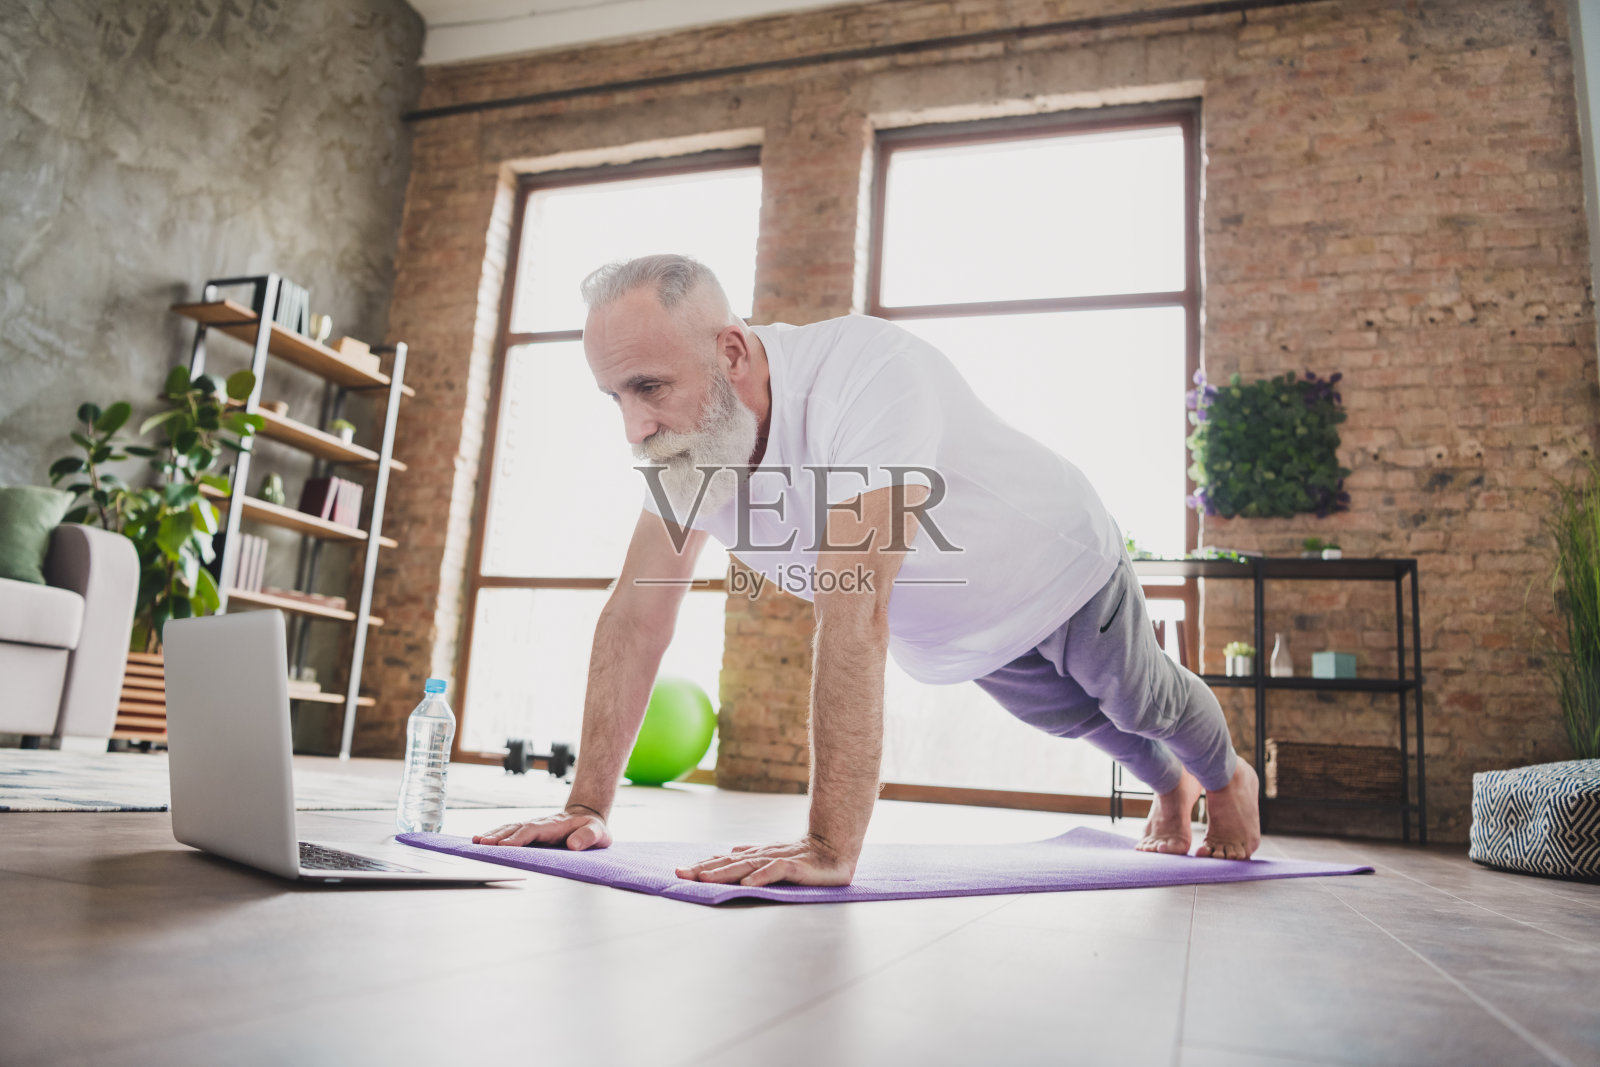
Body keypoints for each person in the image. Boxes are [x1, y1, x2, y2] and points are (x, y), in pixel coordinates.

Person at [472, 254, 1260, 886]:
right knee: (1081, 719)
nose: (634, 427)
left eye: (649, 387)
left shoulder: (864, 375)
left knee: (1139, 696)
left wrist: (828, 844)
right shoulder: (684, 448)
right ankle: (1171, 786)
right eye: (614, 396)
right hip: (960, 627)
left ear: (732, 352)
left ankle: (1226, 779)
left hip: (1059, 561)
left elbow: (853, 607)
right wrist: (586, 805)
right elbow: (637, 615)